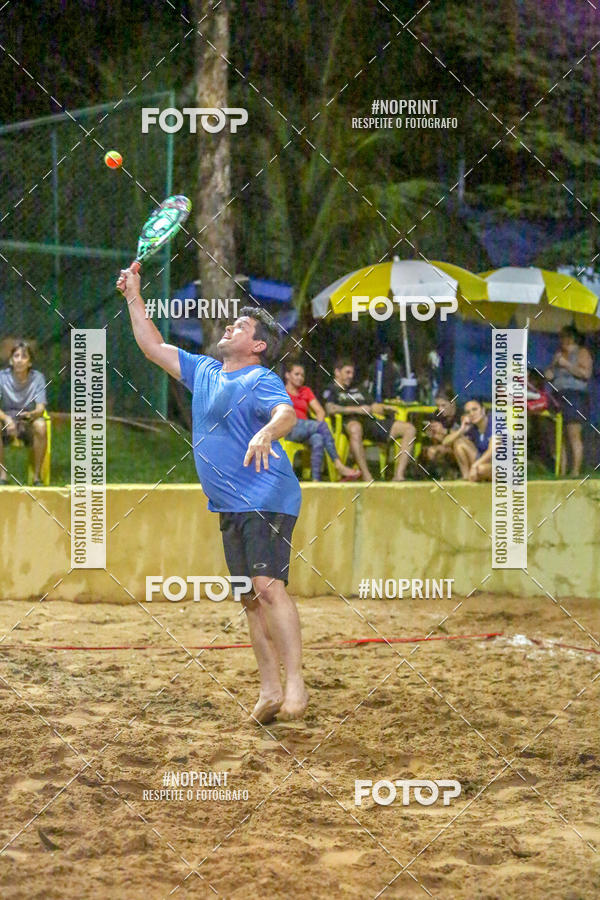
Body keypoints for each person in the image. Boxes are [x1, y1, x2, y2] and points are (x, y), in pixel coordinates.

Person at [117, 263, 308, 725]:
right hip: (229, 505)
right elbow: (152, 345)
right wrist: (133, 296)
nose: (230, 325)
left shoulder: (259, 378)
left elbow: (287, 415)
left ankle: (296, 686)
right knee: (248, 597)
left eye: (240, 325)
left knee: (267, 587)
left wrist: (265, 434)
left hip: (267, 495)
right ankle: (268, 689)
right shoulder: (203, 370)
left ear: (258, 345)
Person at [322, 359, 416, 481]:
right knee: (355, 428)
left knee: (409, 429)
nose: (351, 376)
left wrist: (385, 408)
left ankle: (398, 475)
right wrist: (357, 410)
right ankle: (367, 476)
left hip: (370, 422)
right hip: (349, 423)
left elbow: (372, 406)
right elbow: (330, 408)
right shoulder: (332, 390)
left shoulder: (359, 388)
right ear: (337, 372)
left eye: (352, 373)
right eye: (347, 372)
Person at [284, 361, 360, 481]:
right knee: (321, 428)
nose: (300, 378)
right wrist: (318, 426)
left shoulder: (305, 391)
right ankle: (338, 464)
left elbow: (320, 411)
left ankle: (316, 480)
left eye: (302, 375)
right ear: (287, 375)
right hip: (289, 429)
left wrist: (317, 426)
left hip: (305, 429)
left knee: (318, 438)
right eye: (296, 374)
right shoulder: (281, 391)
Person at [544, 325, 593, 476]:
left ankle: (575, 471)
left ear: (571, 338)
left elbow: (585, 374)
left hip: (574, 395)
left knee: (573, 433)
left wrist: (567, 365)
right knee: (558, 433)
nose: (561, 340)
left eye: (564, 337)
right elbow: (550, 374)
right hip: (557, 395)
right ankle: (561, 470)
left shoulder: (582, 352)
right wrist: (550, 372)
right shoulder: (559, 354)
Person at [0, 341, 48, 485]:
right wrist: (7, 419)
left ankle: (37, 477)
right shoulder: (2, 377)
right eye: (16, 356)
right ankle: (2, 476)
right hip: (7, 416)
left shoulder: (38, 378)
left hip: (27, 417)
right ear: (11, 360)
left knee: (41, 426)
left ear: (29, 362)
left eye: (24, 356)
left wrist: (32, 415)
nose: (20, 360)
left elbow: (41, 408)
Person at [444, 397, 494, 482]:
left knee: (481, 469)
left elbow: (492, 451)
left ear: (483, 410)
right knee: (459, 443)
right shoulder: (473, 427)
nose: (472, 413)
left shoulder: (493, 422)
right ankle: (466, 478)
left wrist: (474, 466)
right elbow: (445, 442)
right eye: (468, 412)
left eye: (475, 409)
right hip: (482, 463)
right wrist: (461, 430)